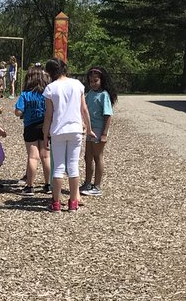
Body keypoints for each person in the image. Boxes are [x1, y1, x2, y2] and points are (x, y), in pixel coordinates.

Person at [42, 58, 90, 212]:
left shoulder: (51, 88)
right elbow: (84, 109)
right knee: (73, 166)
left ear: (50, 72)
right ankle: (73, 202)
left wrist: (45, 135)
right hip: (76, 129)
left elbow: (48, 115)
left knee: (59, 168)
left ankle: (56, 203)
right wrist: (89, 128)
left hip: (58, 130)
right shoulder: (77, 84)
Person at [14, 65, 51, 194]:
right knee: (46, 156)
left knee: (33, 157)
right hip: (45, 126)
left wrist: (24, 113)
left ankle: (29, 186)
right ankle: (48, 185)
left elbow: (18, 112)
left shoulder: (25, 95)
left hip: (30, 127)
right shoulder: (47, 94)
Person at [82, 67, 117, 197]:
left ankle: (97, 185)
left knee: (98, 157)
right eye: (91, 81)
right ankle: (87, 183)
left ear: (102, 80)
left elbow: (108, 115)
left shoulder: (104, 95)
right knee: (87, 157)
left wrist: (104, 134)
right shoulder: (90, 93)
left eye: (96, 81)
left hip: (99, 129)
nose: (93, 83)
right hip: (90, 129)